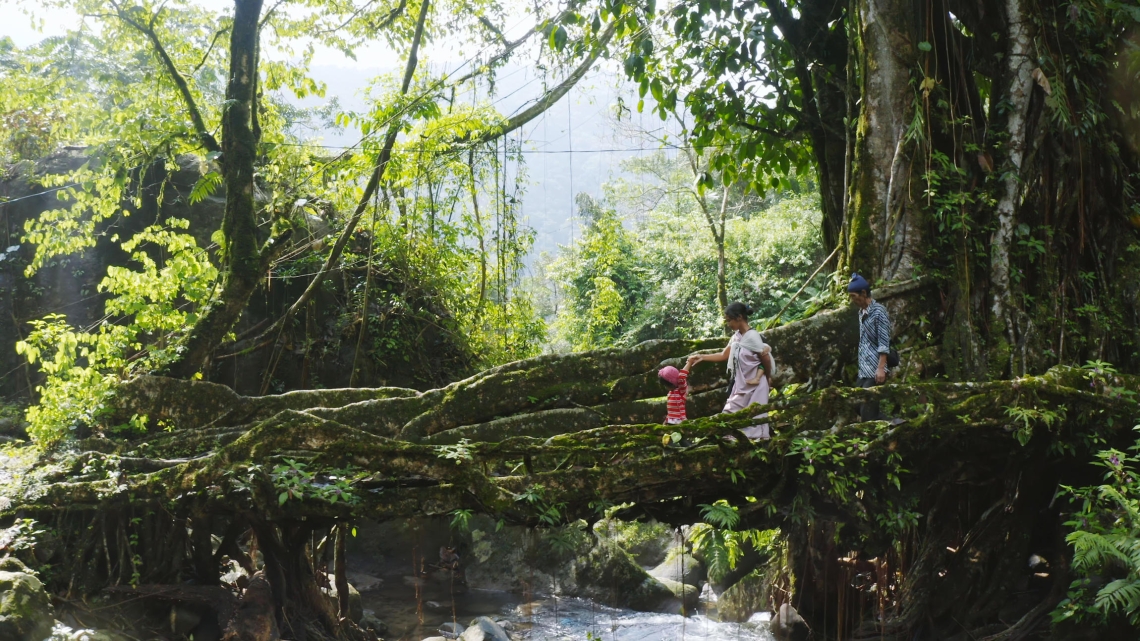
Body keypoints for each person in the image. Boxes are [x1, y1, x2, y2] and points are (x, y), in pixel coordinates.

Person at [689, 302, 775, 439]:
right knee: (729, 414)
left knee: (755, 418)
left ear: (739, 317)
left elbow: (765, 359)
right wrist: (702, 357)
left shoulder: (752, 337)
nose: (728, 324)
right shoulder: (736, 337)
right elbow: (724, 355)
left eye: (730, 320)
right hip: (740, 385)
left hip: (756, 385)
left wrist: (767, 377)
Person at [847, 273, 891, 421]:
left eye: (853, 296)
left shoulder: (879, 312)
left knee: (867, 411)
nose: (852, 300)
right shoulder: (861, 312)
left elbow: (884, 342)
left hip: (876, 367)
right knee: (854, 402)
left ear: (863, 293)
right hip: (864, 369)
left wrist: (880, 368)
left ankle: (877, 436)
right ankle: (891, 422)